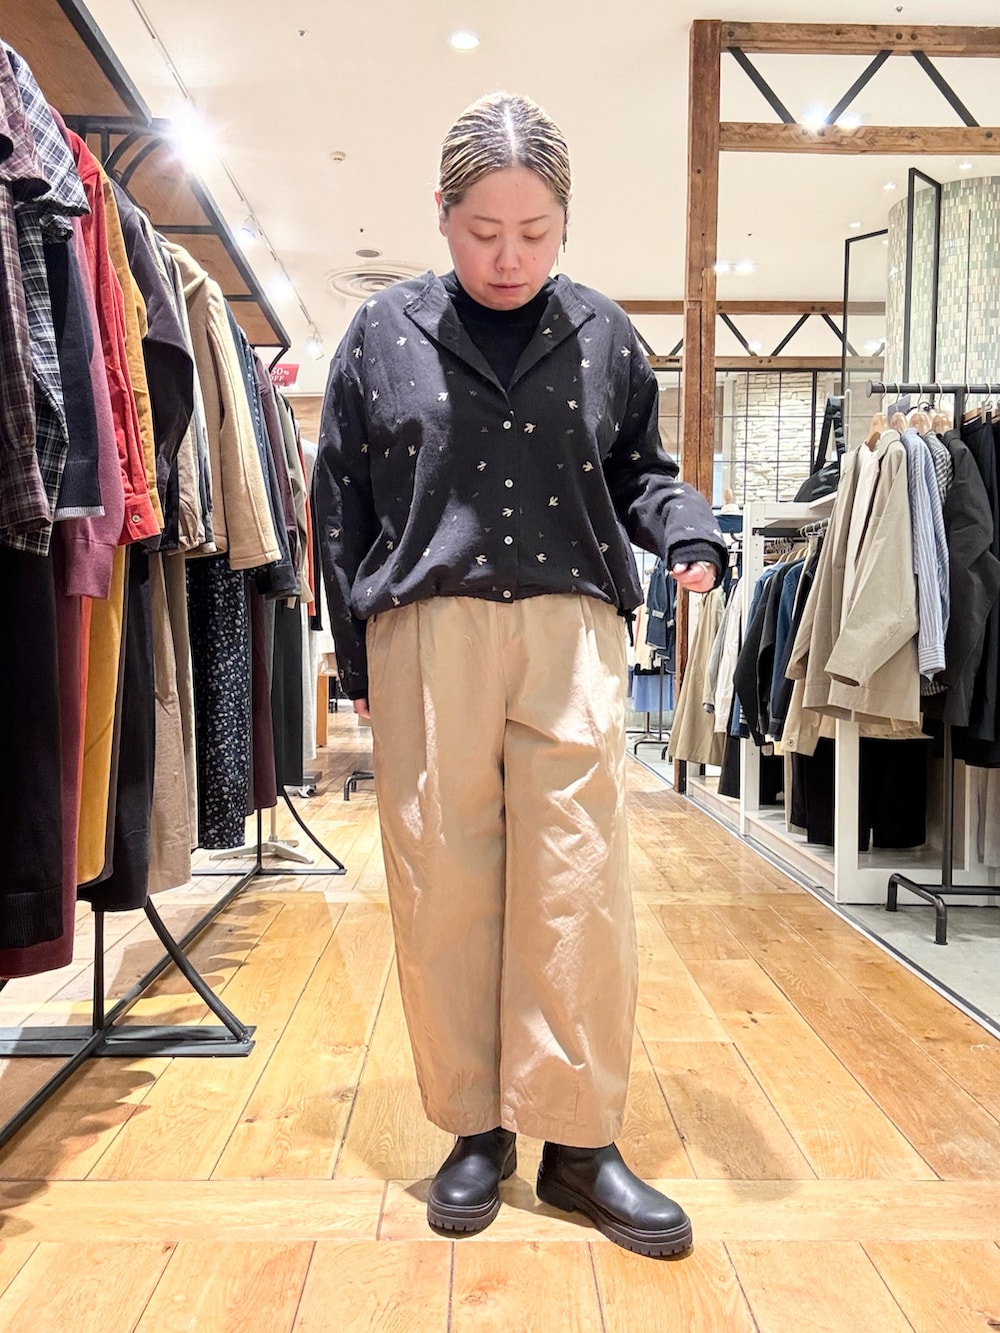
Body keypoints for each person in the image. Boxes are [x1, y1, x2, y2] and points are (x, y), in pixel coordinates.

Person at [314, 91, 726, 1259]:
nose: (509, 256)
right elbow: (340, 499)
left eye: (535, 231)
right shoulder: (380, 333)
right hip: (426, 631)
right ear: (442, 216)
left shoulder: (603, 333)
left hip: (570, 631)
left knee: (578, 882)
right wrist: (356, 654)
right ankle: (474, 1124)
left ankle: (580, 1141)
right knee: (443, 882)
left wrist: (687, 528)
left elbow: (640, 470)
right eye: (483, 230)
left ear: (564, 223)